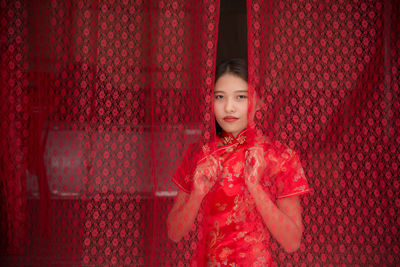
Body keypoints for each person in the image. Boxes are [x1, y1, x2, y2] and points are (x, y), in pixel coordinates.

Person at [167, 58, 310, 266]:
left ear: (259, 101)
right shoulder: (200, 155)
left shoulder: (279, 157)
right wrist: (197, 194)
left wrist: (255, 187)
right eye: (220, 97)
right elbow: (173, 233)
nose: (229, 107)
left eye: (240, 97)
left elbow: (292, 242)